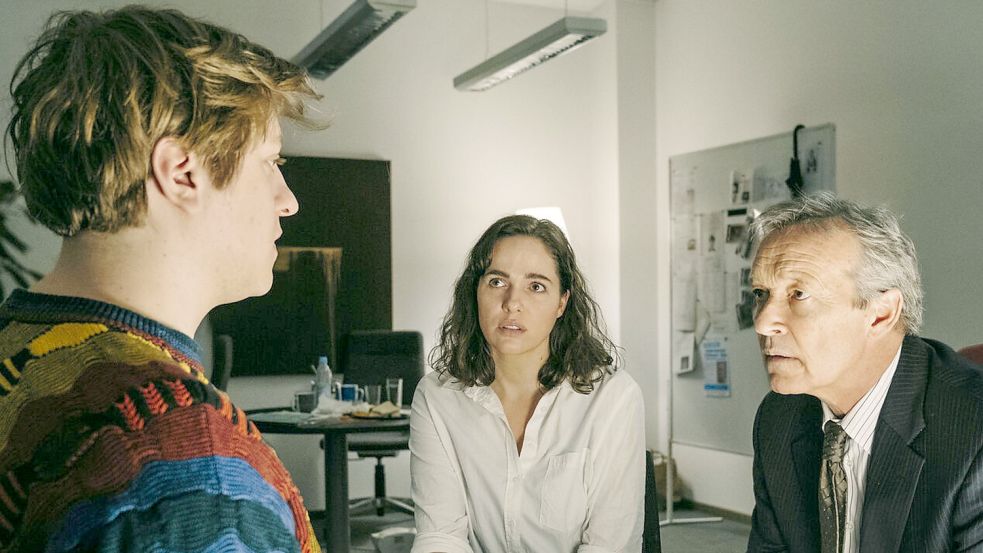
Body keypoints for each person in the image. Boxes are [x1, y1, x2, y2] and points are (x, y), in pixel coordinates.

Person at [2, 6, 323, 552]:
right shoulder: (185, 473)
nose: (287, 201)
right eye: (270, 163)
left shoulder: (20, 348)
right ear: (183, 174)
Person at [746, 193, 983, 553]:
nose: (764, 322)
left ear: (881, 314)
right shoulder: (779, 418)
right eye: (761, 294)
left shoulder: (973, 430)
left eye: (799, 294)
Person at [410, 215, 645, 553]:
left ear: (562, 303)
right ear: (474, 292)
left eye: (536, 286)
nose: (512, 303)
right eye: (496, 282)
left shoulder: (614, 398)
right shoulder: (436, 397)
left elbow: (609, 546)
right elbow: (440, 536)